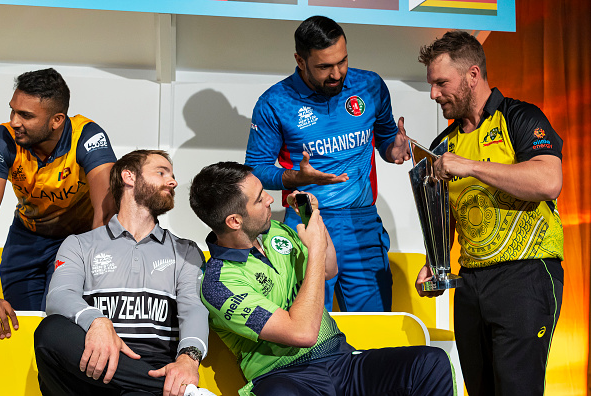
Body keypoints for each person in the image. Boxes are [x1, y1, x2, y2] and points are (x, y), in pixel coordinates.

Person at [189, 161, 454, 396]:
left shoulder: (274, 232)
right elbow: (302, 333)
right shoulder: (218, 284)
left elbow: (329, 269)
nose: (270, 199)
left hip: (341, 361)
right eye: (259, 199)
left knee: (430, 362)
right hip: (284, 378)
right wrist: (315, 249)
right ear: (234, 221)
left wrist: (313, 217)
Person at [414, 31, 564, 396]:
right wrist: (435, 262)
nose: (434, 94)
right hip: (469, 283)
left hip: (527, 273)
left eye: (441, 83)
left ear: (473, 75)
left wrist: (473, 167)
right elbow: (445, 215)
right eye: (431, 84)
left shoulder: (521, 117)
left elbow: (548, 181)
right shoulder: (442, 145)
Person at [244, 15, 411, 312]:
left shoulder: (370, 85)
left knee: (373, 328)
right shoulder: (274, 102)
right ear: (300, 60)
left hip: (362, 220)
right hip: (307, 218)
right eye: (324, 67)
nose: (337, 74)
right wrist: (296, 177)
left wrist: (393, 149)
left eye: (342, 61)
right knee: (312, 332)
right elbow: (255, 169)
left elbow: (385, 138)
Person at [34, 150, 209, 396]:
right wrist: (97, 321)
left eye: (172, 175)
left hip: (152, 365)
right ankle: (185, 393)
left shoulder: (185, 250)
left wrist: (189, 359)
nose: (173, 182)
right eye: (161, 172)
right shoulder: (79, 244)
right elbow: (60, 296)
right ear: (129, 176)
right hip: (91, 366)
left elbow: (194, 309)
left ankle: (156, 386)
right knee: (49, 332)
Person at [0, 68, 117, 318]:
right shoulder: (4, 138)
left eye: (26, 115)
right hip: (25, 238)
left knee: (57, 323)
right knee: (20, 324)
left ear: (57, 120)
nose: (14, 121)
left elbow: (106, 213)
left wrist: (95, 274)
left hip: (76, 240)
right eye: (13, 110)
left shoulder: (87, 136)